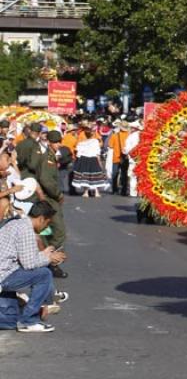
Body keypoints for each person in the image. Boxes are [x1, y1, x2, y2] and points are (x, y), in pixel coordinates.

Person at [0, 200, 66, 332]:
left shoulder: (18, 223)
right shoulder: (26, 229)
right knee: (44, 274)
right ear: (41, 219)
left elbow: (28, 257)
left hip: (6, 271)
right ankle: (29, 321)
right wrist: (49, 258)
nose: (46, 227)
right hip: (4, 275)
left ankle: (28, 315)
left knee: (11, 317)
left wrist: (46, 254)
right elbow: (29, 264)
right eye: (47, 223)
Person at [33, 131, 67, 277]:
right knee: (59, 232)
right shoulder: (48, 158)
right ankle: (51, 261)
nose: (58, 144)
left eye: (59, 141)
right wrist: (58, 194)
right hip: (49, 199)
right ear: (50, 142)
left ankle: (48, 262)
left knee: (48, 232)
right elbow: (46, 180)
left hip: (48, 198)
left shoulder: (51, 156)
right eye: (56, 142)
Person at [72, 126, 108, 198]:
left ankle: (86, 192)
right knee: (95, 175)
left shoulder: (81, 143)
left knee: (85, 176)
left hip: (84, 159)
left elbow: (78, 155)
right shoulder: (95, 142)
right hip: (93, 159)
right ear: (92, 134)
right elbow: (97, 153)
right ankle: (97, 192)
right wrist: (100, 163)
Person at [108, 122, 130, 196]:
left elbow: (110, 146)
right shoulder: (129, 135)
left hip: (116, 157)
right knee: (124, 174)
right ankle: (124, 190)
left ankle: (114, 190)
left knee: (115, 174)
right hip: (125, 157)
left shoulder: (114, 135)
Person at [123, 120, 142, 197]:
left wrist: (125, 152)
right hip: (142, 158)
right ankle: (141, 193)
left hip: (133, 158)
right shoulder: (142, 135)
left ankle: (133, 193)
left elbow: (127, 149)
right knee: (141, 176)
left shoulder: (130, 137)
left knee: (133, 176)